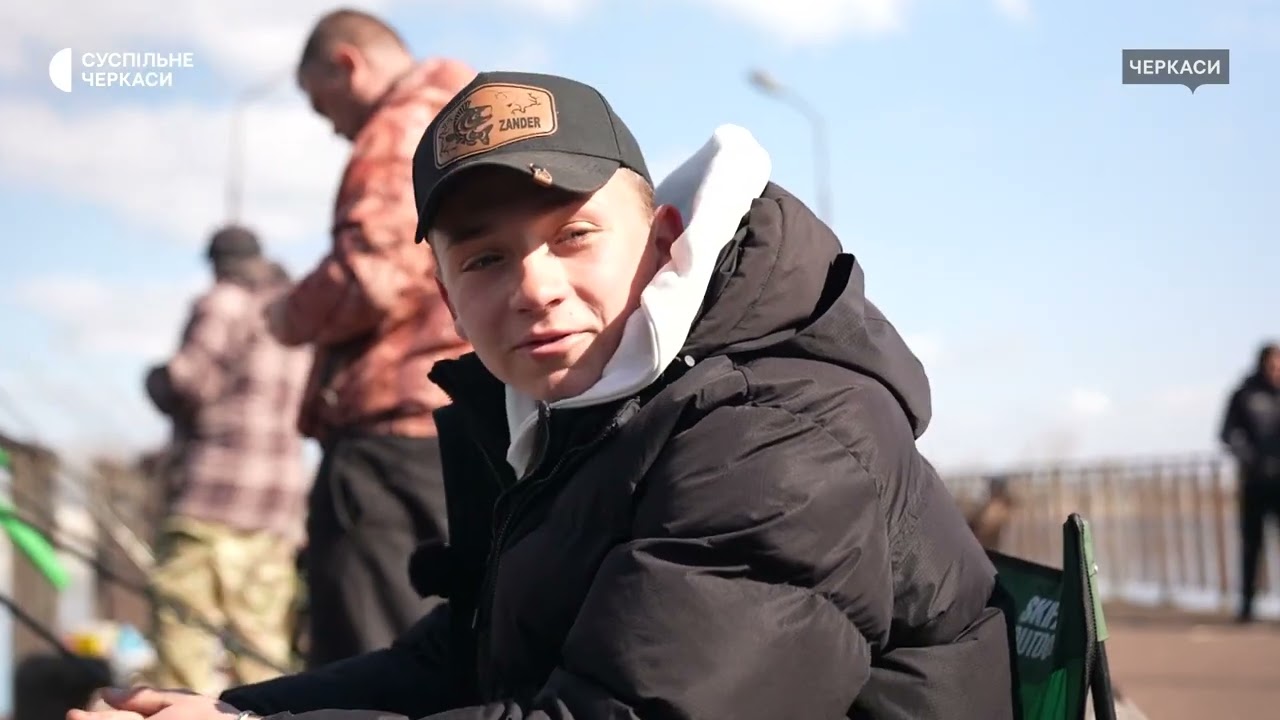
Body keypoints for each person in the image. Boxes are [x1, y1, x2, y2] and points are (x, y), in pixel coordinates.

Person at [86, 71, 1014, 720]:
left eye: (573, 236)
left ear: (662, 239)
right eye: (486, 259)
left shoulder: (779, 435)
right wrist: (234, 710)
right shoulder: (589, 416)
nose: (534, 288)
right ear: (446, 295)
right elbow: (466, 655)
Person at [266, 9, 477, 666]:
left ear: (347, 64)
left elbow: (372, 277)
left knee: (371, 655)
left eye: (320, 101)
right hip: (460, 421)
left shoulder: (397, 129)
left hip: (388, 439)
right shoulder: (469, 117)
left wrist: (287, 314)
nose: (329, 124)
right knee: (443, 649)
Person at [139, 225, 311, 694]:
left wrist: (153, 380)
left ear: (217, 263)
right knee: (263, 652)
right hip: (277, 509)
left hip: (211, 501)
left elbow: (186, 381)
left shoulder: (223, 302)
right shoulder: (291, 316)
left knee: (184, 644)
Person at [1219, 341, 1280, 623]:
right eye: (1272, 365)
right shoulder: (1244, 394)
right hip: (1254, 481)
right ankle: (1246, 607)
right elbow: (1227, 433)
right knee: (1251, 546)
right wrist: (1249, 458)